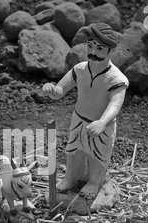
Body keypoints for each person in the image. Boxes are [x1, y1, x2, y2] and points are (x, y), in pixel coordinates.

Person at [42, 22, 129, 200]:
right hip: (78, 120)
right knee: (73, 151)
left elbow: (115, 104)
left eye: (99, 48)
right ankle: (70, 177)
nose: (93, 52)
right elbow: (61, 90)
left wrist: (102, 122)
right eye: (90, 46)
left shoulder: (117, 78)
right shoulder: (80, 69)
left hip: (101, 125)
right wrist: (53, 90)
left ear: (110, 50)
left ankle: (95, 181)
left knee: (98, 154)